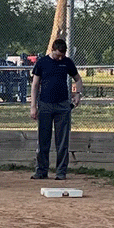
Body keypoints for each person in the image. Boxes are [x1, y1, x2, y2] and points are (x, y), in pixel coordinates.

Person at [30, 38, 83, 181]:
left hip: (62, 106)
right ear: (52, 50)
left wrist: (78, 94)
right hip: (45, 105)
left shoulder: (67, 62)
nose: (60, 58)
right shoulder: (42, 63)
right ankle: (41, 171)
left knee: (62, 140)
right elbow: (35, 85)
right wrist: (33, 106)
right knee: (43, 140)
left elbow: (78, 79)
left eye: (62, 55)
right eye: (57, 55)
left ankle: (61, 172)